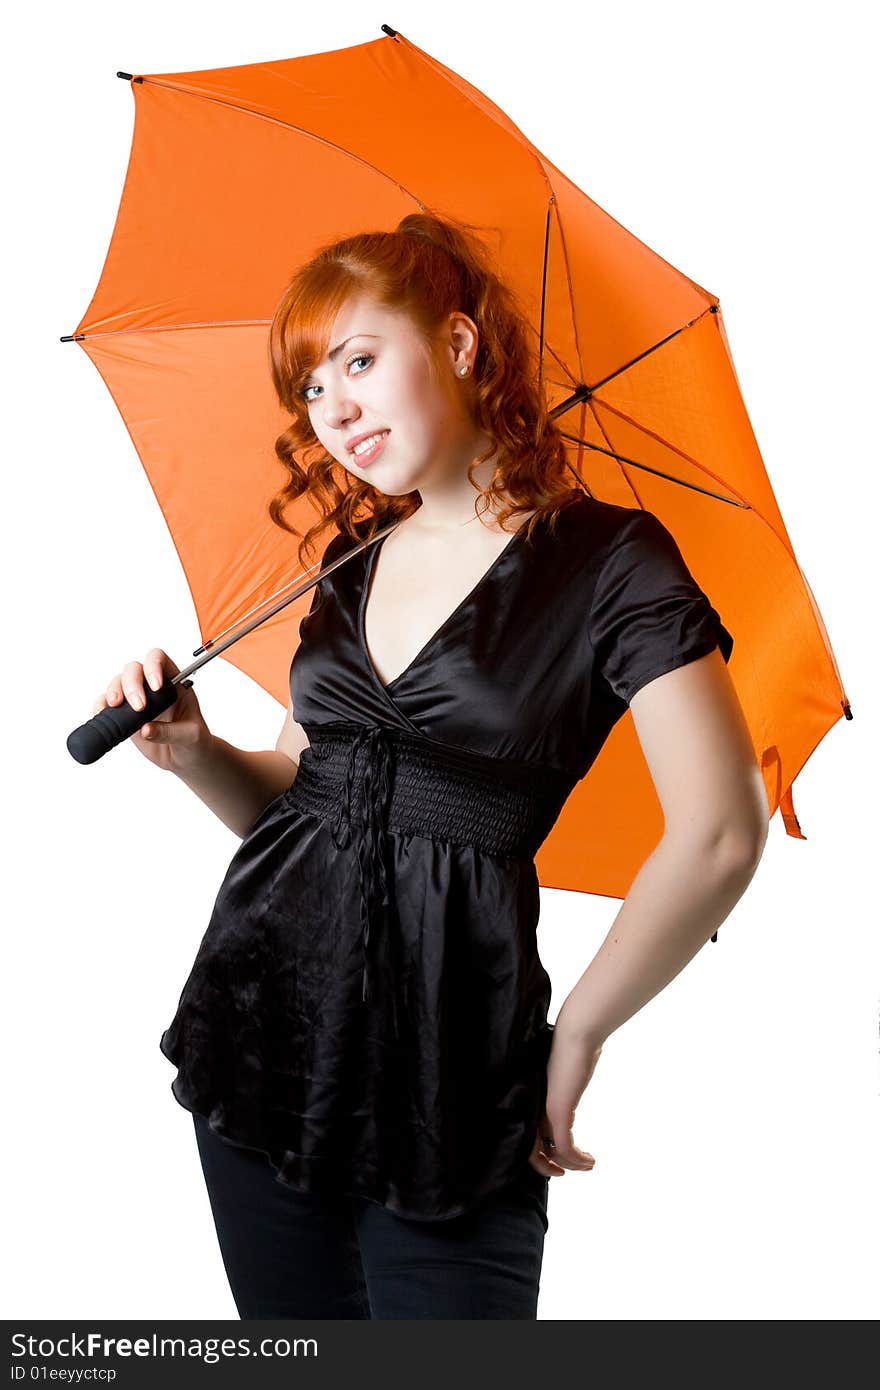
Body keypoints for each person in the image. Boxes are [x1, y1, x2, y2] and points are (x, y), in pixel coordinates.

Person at [92, 212, 768, 1320]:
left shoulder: (611, 562)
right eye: (312, 388)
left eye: (358, 361)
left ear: (458, 345)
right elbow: (301, 798)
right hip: (262, 1026)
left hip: (456, 1070)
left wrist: (580, 1030)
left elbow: (720, 831)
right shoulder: (350, 561)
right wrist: (195, 753)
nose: (335, 410)